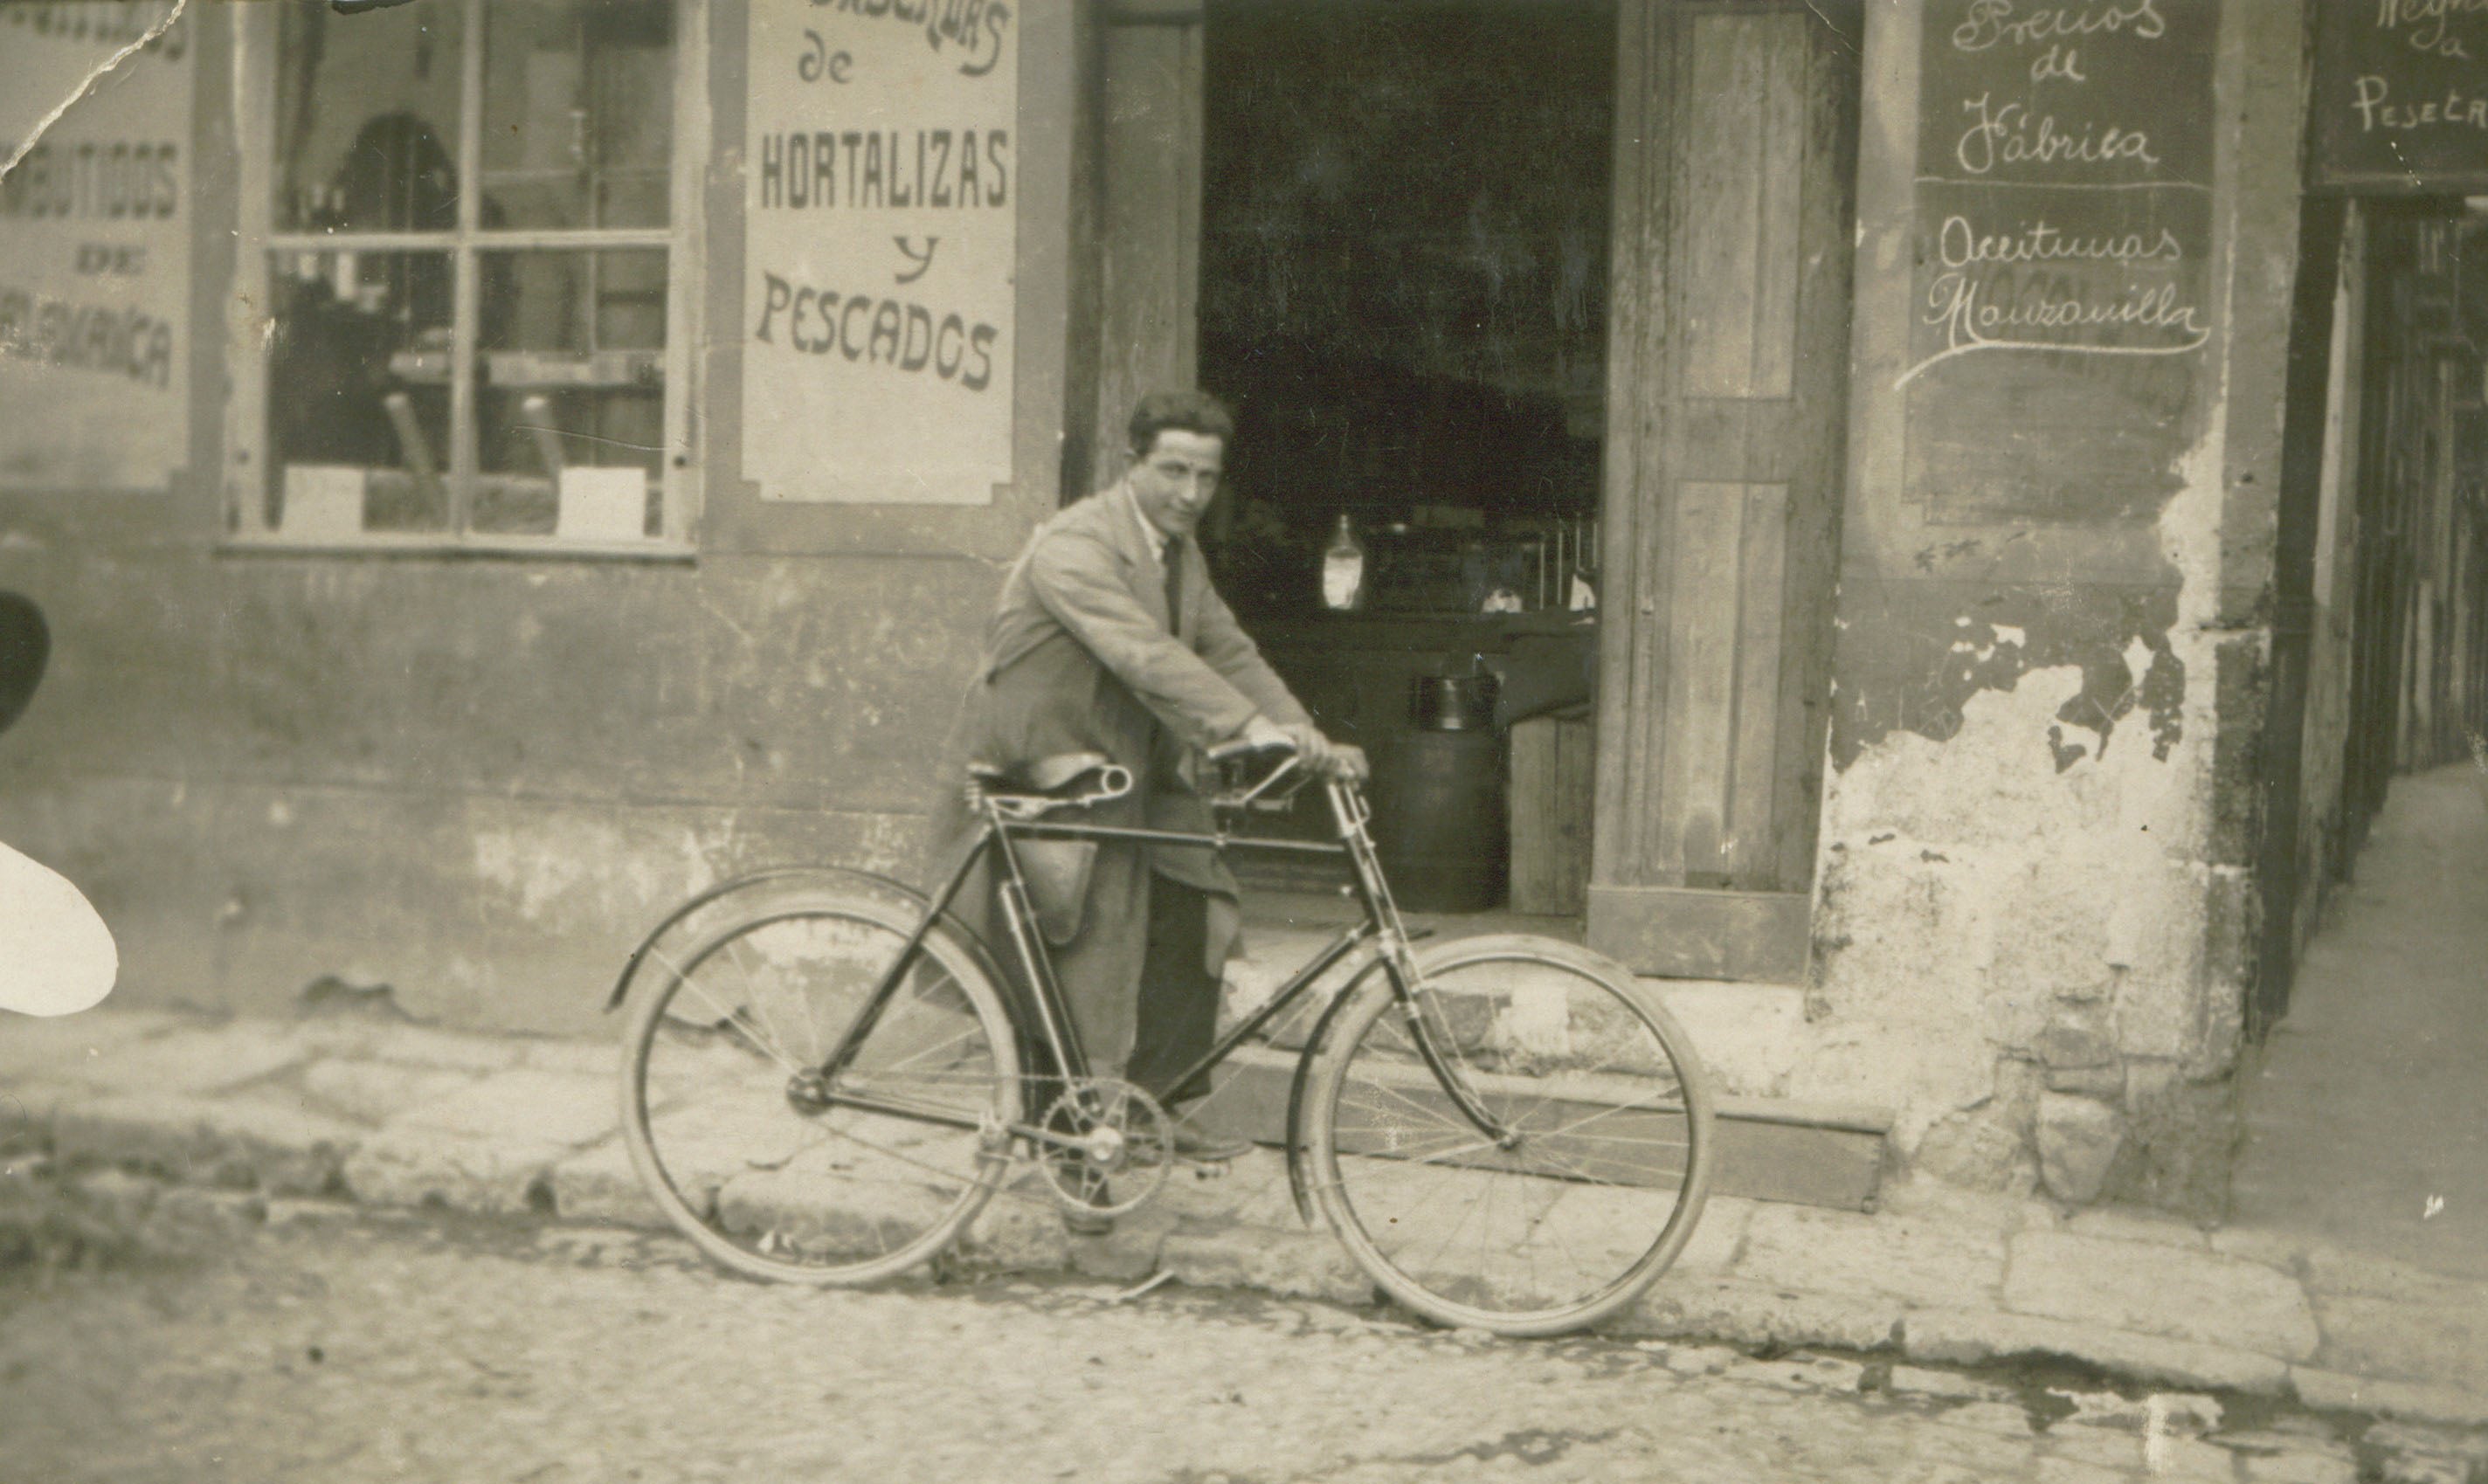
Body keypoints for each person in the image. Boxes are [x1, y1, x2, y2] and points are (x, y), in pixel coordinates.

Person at [929, 390, 1364, 1231]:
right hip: (1048, 768)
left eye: (1206, 475)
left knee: (1195, 898)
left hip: (1127, 769)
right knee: (1077, 959)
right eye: (1173, 470)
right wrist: (1250, 729)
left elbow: (1225, 647)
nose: (1191, 491)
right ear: (1132, 464)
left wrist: (1304, 734)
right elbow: (1145, 654)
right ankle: (1075, 1160)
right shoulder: (1078, 545)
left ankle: (1153, 1102)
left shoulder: (1177, 553)